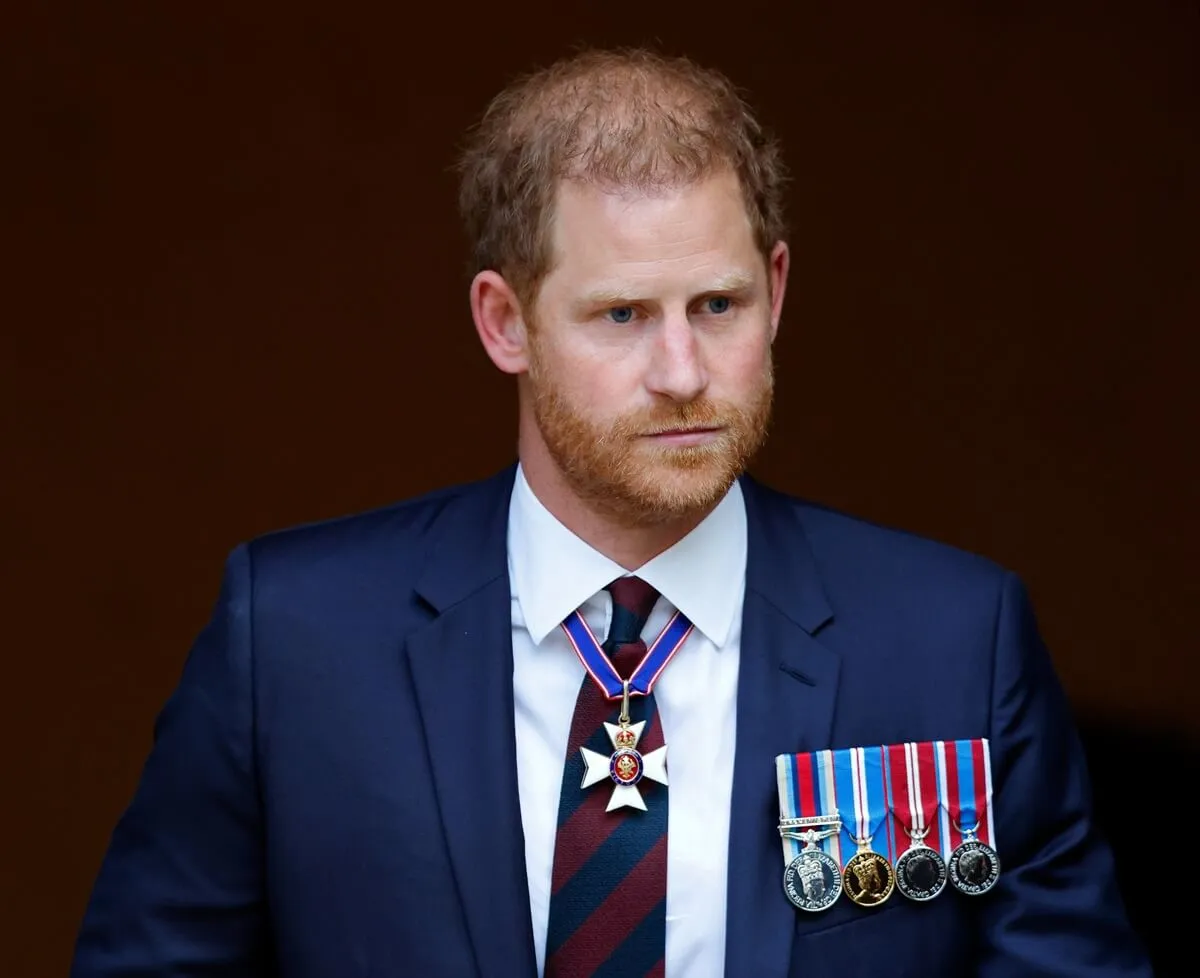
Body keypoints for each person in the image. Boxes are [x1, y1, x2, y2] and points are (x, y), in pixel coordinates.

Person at [71, 47, 1153, 978]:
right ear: (506, 323)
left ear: (777, 290)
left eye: (718, 306)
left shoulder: (953, 640)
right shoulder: (297, 643)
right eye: (623, 314)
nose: (681, 371)